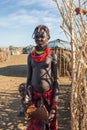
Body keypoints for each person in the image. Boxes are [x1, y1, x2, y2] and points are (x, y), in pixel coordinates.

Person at [25, 25, 59, 130]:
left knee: (49, 124)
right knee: (35, 125)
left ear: (48, 37)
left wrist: (54, 104)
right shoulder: (30, 56)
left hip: (49, 96)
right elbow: (29, 77)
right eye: (36, 36)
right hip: (35, 96)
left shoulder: (52, 55)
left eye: (42, 36)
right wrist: (27, 92)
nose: (39, 39)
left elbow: (56, 80)